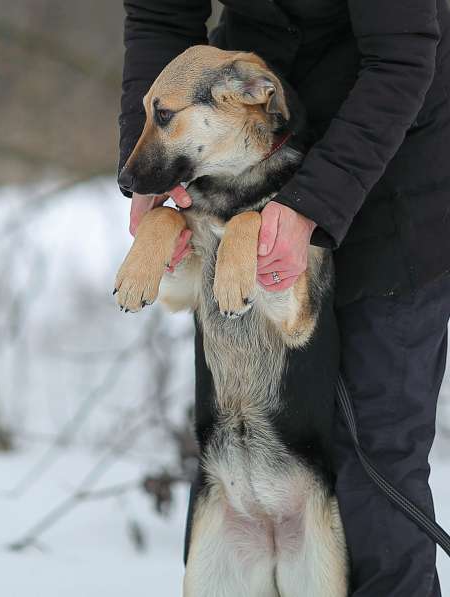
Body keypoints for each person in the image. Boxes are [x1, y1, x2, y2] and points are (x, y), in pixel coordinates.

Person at [118, 1, 450, 595]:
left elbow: (401, 55)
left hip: (397, 170)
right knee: (239, 458)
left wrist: (308, 207)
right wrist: (151, 169)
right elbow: (159, 19)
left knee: (374, 463)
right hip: (242, 145)